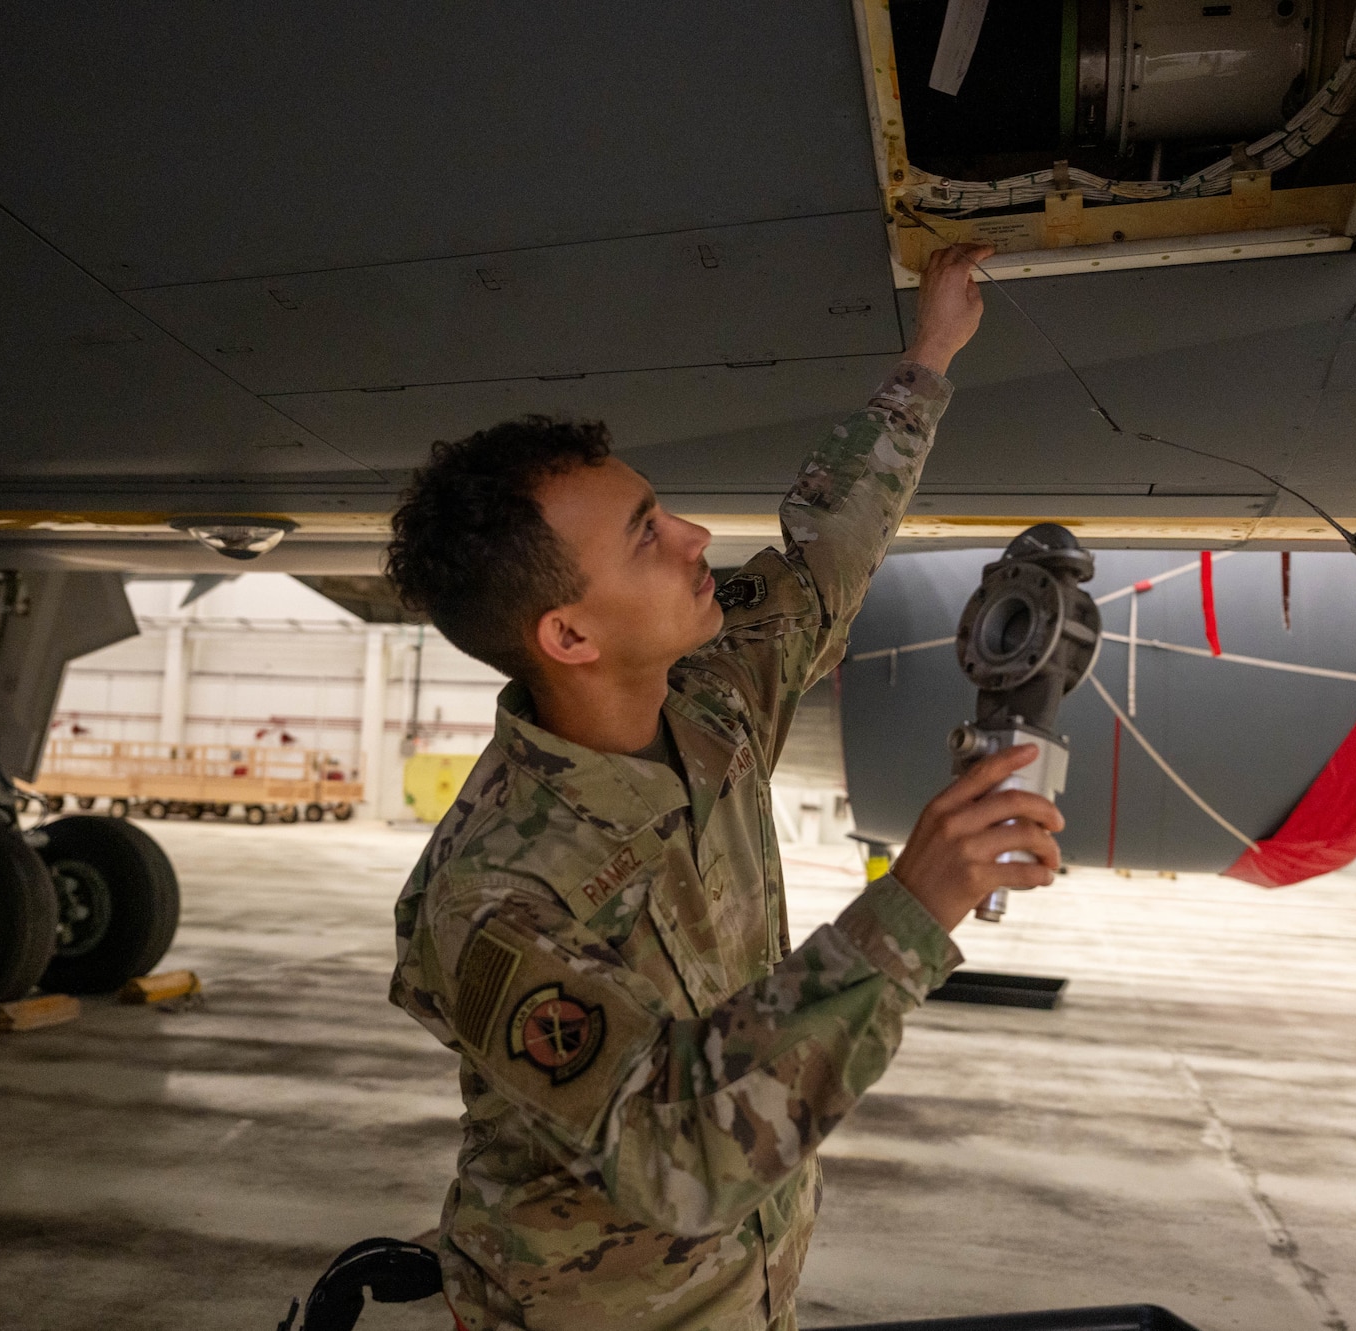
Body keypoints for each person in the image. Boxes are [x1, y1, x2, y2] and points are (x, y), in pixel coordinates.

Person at [384, 243, 1064, 1331]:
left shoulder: (709, 697)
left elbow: (823, 560)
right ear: (567, 633)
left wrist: (928, 353)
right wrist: (911, 906)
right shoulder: (491, 902)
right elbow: (681, 1151)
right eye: (646, 535)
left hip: (742, 1294)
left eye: (663, 509)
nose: (695, 535)